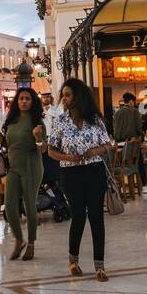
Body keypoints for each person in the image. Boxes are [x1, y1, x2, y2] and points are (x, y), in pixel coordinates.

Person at [46, 78, 113, 281]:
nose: (64, 99)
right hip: (70, 173)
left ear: (79, 96)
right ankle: (73, 260)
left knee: (96, 215)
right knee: (78, 215)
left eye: (68, 95)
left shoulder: (95, 120)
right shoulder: (60, 122)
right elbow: (51, 151)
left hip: (94, 171)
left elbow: (108, 145)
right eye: (63, 95)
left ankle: (100, 266)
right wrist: (69, 157)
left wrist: (94, 151)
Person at [0, 88, 45, 260]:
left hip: (31, 166)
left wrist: (38, 138)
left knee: (30, 206)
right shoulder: (12, 120)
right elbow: (5, 143)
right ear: (17, 101)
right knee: (9, 207)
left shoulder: (37, 122)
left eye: (27, 99)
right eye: (21, 98)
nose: (24, 101)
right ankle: (19, 239)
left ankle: (31, 243)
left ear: (33, 102)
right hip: (13, 168)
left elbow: (43, 149)